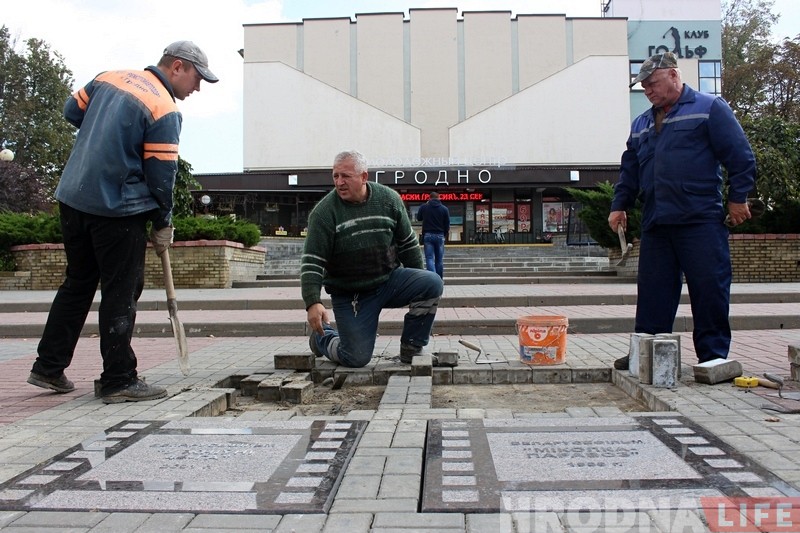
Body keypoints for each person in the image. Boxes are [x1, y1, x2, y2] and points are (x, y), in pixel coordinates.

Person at [26, 41, 218, 403]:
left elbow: (72, 111)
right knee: (121, 291)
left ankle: (48, 367)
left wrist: (106, 132)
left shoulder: (109, 77)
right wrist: (163, 220)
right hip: (118, 209)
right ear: (177, 66)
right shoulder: (164, 109)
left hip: (73, 197)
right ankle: (118, 379)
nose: (196, 88)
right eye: (197, 78)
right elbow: (162, 174)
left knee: (78, 283)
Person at [608, 52, 755, 370]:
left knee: (708, 286)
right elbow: (630, 170)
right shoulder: (642, 123)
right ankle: (645, 351)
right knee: (653, 290)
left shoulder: (709, 108)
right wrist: (619, 205)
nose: (647, 90)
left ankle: (712, 355)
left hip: (699, 218)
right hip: (657, 221)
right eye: (643, 86)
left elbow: (740, 156)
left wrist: (738, 197)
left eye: (652, 83)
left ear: (674, 76)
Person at [302, 150, 444, 368]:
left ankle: (412, 348)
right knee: (355, 357)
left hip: (388, 281)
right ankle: (323, 338)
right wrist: (313, 301)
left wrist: (419, 277)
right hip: (351, 293)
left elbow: (408, 246)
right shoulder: (323, 213)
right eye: (335, 176)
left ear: (364, 177)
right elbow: (313, 261)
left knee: (431, 282)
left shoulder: (389, 200)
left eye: (346, 176)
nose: (339, 182)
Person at [416, 191, 450, 278]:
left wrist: (426, 205)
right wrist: (444, 235)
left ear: (429, 198)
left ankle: (433, 280)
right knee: (439, 260)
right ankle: (439, 279)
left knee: (429, 258)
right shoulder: (444, 209)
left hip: (428, 235)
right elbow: (447, 224)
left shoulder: (424, 207)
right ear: (439, 198)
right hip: (440, 235)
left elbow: (419, 218)